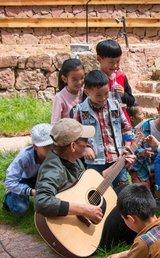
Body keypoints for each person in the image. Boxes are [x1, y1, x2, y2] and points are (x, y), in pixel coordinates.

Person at [34, 118, 136, 248]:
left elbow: (92, 180)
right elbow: (41, 202)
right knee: (128, 202)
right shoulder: (53, 168)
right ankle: (141, 241)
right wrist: (85, 210)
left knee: (127, 189)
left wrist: (120, 163)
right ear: (73, 146)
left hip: (88, 217)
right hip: (80, 234)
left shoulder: (72, 159)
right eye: (86, 141)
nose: (89, 144)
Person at [71, 70, 133, 191]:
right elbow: (76, 134)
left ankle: (121, 210)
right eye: (98, 95)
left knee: (122, 188)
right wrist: (85, 148)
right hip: (95, 160)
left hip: (117, 156)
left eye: (106, 93)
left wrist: (127, 145)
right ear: (87, 92)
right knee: (96, 191)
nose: (103, 98)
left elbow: (126, 128)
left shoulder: (115, 105)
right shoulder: (80, 110)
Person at [3, 124, 53, 215]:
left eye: (52, 145)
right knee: (20, 208)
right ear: (35, 147)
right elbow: (9, 182)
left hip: (42, 178)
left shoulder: (55, 153)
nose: (50, 149)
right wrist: (31, 191)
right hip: (23, 180)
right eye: (46, 147)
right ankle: (9, 198)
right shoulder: (24, 157)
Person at [130, 96, 160, 188]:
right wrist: (142, 152)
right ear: (158, 110)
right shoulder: (144, 126)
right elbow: (131, 148)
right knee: (142, 194)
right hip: (142, 168)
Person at [96, 39, 135, 125]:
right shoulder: (95, 79)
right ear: (99, 59)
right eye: (111, 62)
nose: (115, 65)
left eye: (118, 61)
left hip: (122, 123)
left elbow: (131, 101)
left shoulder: (121, 77)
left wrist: (123, 95)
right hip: (103, 123)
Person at [51, 58, 84, 123]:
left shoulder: (85, 92)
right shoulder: (60, 98)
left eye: (82, 78)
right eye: (75, 79)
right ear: (64, 79)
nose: (79, 82)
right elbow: (55, 123)